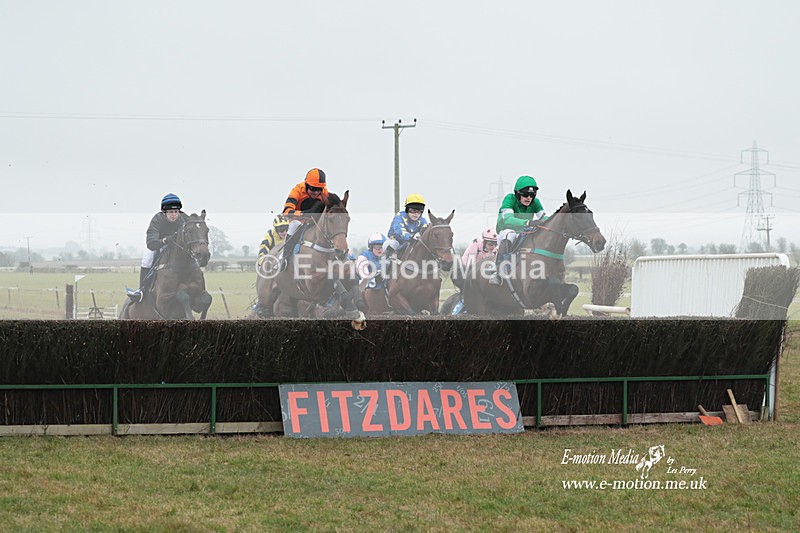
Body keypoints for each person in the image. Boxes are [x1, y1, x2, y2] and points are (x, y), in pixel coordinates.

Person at [489, 176, 547, 285]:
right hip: (505, 231)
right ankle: (497, 270)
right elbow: (508, 219)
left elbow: (544, 218)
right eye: (525, 195)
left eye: (532, 195)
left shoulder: (536, 202)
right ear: (517, 194)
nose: (529, 198)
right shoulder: (509, 199)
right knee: (510, 234)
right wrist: (528, 222)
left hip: (524, 232)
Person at [131, 193, 190, 299]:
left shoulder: (183, 219)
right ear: (164, 212)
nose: (174, 215)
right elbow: (151, 244)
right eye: (171, 212)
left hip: (177, 248)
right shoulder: (157, 219)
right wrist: (165, 240)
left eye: (176, 212)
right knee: (147, 258)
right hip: (158, 246)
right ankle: (142, 290)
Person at [280, 168, 329, 266]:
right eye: (312, 188)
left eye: (319, 189)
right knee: (294, 225)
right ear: (306, 185)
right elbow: (286, 212)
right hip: (297, 221)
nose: (315, 192)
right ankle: (285, 256)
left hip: (314, 223)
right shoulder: (297, 190)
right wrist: (303, 214)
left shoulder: (325, 193)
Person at [383, 194, 429, 260]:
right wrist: (411, 236)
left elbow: (426, 231)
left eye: (419, 211)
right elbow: (399, 231)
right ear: (407, 210)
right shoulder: (399, 217)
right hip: (397, 242)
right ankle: (383, 266)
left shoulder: (422, 220)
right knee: (390, 244)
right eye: (413, 210)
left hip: (412, 243)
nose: (416, 214)